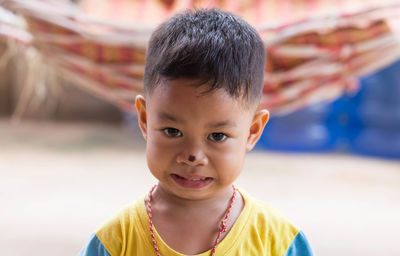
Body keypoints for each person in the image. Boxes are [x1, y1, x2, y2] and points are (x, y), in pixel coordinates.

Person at [78, 8, 314, 256]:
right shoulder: (115, 242)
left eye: (217, 136)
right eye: (172, 131)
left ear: (252, 131)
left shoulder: (279, 242)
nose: (192, 155)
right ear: (145, 119)